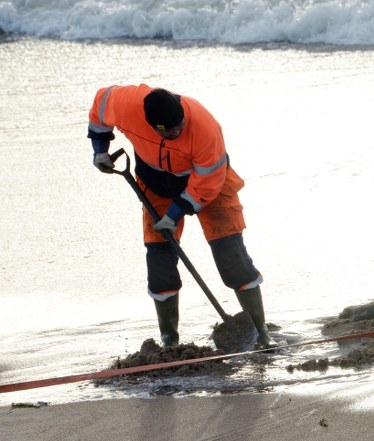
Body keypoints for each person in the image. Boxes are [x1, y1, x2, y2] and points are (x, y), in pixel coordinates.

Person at [87, 84, 272, 348]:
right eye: (169, 132)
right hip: (155, 183)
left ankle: (260, 333)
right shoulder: (125, 103)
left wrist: (175, 214)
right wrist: (100, 149)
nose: (176, 133)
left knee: (231, 255)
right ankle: (169, 342)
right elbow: (100, 105)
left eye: (179, 127)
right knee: (159, 261)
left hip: (211, 183)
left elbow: (207, 184)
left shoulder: (205, 128)